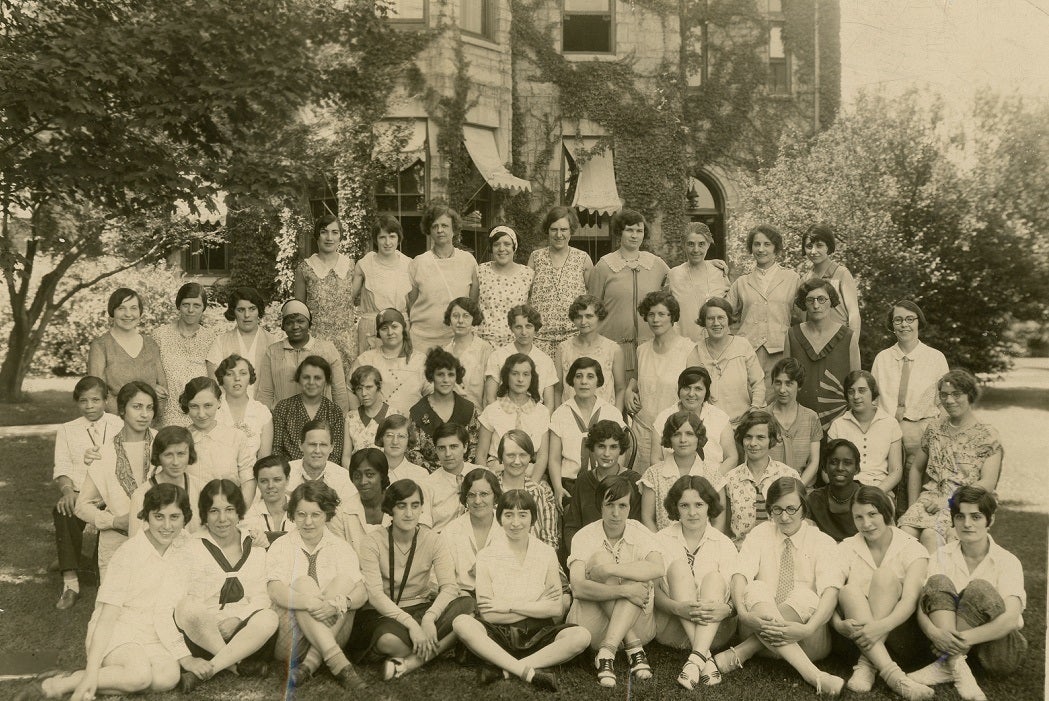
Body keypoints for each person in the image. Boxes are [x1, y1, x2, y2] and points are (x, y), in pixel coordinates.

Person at [16, 484, 200, 701]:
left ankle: (91, 680)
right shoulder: (129, 554)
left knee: (167, 677)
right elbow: (107, 617)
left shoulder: (186, 547)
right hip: (119, 628)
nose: (167, 525)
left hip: (156, 632)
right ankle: (62, 683)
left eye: (175, 517)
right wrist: (92, 669)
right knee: (139, 676)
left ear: (185, 518)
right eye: (159, 516)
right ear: (146, 517)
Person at [718, 477, 845, 697]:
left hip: (806, 639)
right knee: (756, 587)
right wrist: (743, 613)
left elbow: (831, 593)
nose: (784, 517)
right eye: (777, 510)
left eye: (791, 509)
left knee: (806, 595)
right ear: (769, 510)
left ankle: (743, 651)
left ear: (804, 508)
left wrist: (808, 628)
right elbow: (739, 575)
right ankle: (814, 676)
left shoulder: (822, 541)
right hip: (758, 625)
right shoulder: (760, 533)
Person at [453, 489, 591, 691]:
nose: (515, 523)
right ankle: (527, 671)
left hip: (538, 631)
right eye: (508, 515)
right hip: (499, 634)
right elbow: (489, 614)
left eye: (522, 515)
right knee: (462, 622)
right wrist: (537, 604)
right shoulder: (486, 556)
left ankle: (506, 669)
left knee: (581, 636)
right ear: (499, 518)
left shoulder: (546, 553)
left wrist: (507, 606)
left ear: (533, 518)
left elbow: (555, 610)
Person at [909, 487, 1027, 700]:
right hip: (946, 641)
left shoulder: (1007, 561)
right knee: (938, 581)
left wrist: (955, 642)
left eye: (976, 517)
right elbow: (922, 607)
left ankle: (947, 662)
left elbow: (1010, 619)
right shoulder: (941, 555)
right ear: (953, 520)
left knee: (979, 588)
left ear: (990, 521)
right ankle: (956, 665)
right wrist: (935, 634)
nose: (967, 524)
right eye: (960, 516)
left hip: (996, 648)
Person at [351, 479, 476, 680]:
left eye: (415, 505)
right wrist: (411, 625)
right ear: (390, 509)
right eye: (402, 506)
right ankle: (440, 648)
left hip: (421, 608)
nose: (409, 513)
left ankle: (410, 663)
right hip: (385, 615)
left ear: (421, 509)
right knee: (387, 640)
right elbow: (374, 595)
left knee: (468, 606)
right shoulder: (372, 541)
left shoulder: (433, 539)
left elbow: (449, 587)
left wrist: (429, 618)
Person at [174, 480, 279, 692]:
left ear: (239, 510)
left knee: (269, 617)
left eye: (229, 510)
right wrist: (212, 623)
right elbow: (186, 600)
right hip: (203, 635)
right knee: (187, 607)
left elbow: (261, 596)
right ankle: (236, 666)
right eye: (214, 511)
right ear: (204, 513)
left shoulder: (253, 543)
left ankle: (210, 669)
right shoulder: (192, 547)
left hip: (245, 635)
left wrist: (239, 618)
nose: (222, 519)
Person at [266, 481, 369, 691]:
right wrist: (310, 602)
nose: (308, 522)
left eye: (316, 514)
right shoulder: (281, 546)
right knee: (303, 583)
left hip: (333, 627)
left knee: (345, 584)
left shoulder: (341, 547)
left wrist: (339, 604)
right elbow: (276, 592)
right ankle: (339, 664)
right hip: (290, 638)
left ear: (327, 515)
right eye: (301, 514)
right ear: (293, 515)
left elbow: (362, 593)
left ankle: (309, 664)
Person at [833, 486, 934, 700]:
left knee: (884, 576)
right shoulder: (846, 547)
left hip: (899, 635)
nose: (866, 524)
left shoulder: (912, 548)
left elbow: (909, 601)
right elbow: (830, 594)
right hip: (855, 635)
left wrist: (879, 627)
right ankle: (895, 677)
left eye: (872, 514)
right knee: (849, 590)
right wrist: (837, 624)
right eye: (858, 517)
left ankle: (867, 664)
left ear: (886, 512)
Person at [566, 475, 665, 689]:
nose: (616, 513)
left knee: (631, 572)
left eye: (622, 505)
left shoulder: (639, 531)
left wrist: (609, 570)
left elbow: (657, 568)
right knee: (604, 560)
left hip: (639, 625)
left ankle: (607, 652)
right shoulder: (584, 536)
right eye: (609, 504)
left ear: (630, 507)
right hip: (592, 626)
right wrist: (625, 591)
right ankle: (631, 646)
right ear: (599, 505)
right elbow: (578, 587)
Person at [898, 370, 1003, 552]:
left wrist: (949, 500)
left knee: (931, 535)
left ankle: (938, 580)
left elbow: (988, 483)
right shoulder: (934, 428)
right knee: (904, 535)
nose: (949, 400)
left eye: (956, 394)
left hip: (966, 503)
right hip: (928, 499)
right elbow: (916, 468)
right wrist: (913, 505)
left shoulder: (987, 435)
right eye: (944, 395)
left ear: (970, 395)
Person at [653, 475, 738, 690]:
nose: (692, 513)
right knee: (678, 567)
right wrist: (676, 607)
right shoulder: (660, 540)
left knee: (715, 578)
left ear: (709, 505)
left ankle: (696, 657)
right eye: (684, 505)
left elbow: (736, 596)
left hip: (714, 631)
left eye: (699, 504)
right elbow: (653, 592)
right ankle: (703, 658)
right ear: (675, 507)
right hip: (672, 627)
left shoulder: (723, 543)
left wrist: (727, 610)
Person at [52, 376, 124, 610]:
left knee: (99, 572)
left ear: (106, 400)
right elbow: (61, 466)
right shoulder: (67, 430)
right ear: (77, 403)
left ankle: (86, 563)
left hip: (111, 492)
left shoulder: (119, 425)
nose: (90, 406)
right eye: (83, 401)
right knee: (63, 510)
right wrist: (67, 490)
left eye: (95, 400)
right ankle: (70, 582)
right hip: (81, 490)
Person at [870, 300, 950, 510]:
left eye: (909, 319)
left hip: (921, 432)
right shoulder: (883, 358)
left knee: (919, 487)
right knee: (888, 486)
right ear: (892, 325)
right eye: (898, 320)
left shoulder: (935, 358)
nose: (904, 325)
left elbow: (943, 403)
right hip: (887, 432)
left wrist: (935, 434)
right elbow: (874, 399)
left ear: (918, 322)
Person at [74, 381, 158, 579]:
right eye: (137, 407)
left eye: (149, 407)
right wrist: (113, 521)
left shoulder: (164, 444)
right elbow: (81, 506)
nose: (144, 414)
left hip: (159, 540)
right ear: (122, 410)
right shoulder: (104, 452)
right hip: (117, 543)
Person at [587, 209, 671, 377]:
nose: (634, 235)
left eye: (639, 231)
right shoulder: (605, 265)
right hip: (613, 347)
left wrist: (710, 264)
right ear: (620, 232)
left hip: (651, 348)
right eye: (629, 230)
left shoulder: (655, 264)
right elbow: (592, 308)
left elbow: (681, 279)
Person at [625, 290, 702, 471]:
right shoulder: (642, 349)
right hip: (642, 431)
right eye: (651, 314)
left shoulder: (688, 349)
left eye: (661, 314)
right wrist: (629, 391)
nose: (655, 319)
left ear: (672, 316)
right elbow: (636, 379)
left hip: (674, 434)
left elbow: (697, 393)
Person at [727, 224, 801, 393]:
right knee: (749, 398)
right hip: (747, 352)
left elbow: (805, 318)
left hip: (781, 351)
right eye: (756, 244)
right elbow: (723, 314)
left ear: (776, 248)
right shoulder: (741, 282)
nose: (761, 249)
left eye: (767, 244)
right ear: (751, 248)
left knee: (777, 399)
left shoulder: (792, 279)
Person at [783, 278, 861, 431]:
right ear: (804, 304)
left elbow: (856, 382)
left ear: (831, 301)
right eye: (810, 300)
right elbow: (786, 380)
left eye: (822, 299)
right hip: (799, 418)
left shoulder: (847, 336)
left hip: (839, 419)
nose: (816, 305)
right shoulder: (792, 335)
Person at [549, 356, 625, 510]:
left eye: (590, 376)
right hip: (570, 484)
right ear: (572, 380)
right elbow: (554, 458)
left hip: (604, 480)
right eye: (579, 376)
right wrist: (558, 488)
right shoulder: (560, 413)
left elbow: (621, 452)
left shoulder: (611, 412)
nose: (584, 382)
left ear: (598, 381)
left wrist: (613, 480)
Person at [407, 203, 479, 350]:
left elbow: (473, 302)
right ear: (429, 230)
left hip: (456, 340)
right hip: (422, 341)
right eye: (435, 226)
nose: (440, 230)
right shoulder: (419, 262)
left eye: (445, 226)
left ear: (454, 229)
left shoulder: (468, 261)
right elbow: (411, 303)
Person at [87, 288, 167, 420]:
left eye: (133, 308)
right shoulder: (100, 346)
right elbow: (98, 393)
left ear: (140, 312)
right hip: (115, 424)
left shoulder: (151, 344)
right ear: (112, 311)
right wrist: (128, 420)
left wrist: (148, 417)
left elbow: (163, 390)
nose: (128, 314)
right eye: (121, 308)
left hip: (150, 423)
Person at [294, 214, 358, 377]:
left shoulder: (351, 266)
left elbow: (357, 300)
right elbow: (298, 311)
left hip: (346, 342)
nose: (329, 237)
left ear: (340, 236)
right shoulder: (305, 268)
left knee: (345, 393)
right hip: (316, 341)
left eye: (335, 232)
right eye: (324, 232)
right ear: (317, 235)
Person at [256, 299, 349, 412]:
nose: (295, 326)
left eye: (301, 321)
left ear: (309, 323)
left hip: (320, 422)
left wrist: (340, 421)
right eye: (289, 322)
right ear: (283, 326)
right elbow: (266, 392)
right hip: (283, 422)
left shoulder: (327, 349)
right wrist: (263, 422)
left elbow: (338, 391)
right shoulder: (273, 352)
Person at [563, 421, 642, 553]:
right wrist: (580, 556)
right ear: (592, 448)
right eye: (601, 446)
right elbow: (572, 526)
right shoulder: (583, 480)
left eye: (613, 447)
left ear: (621, 449)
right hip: (587, 552)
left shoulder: (633, 481)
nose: (606, 453)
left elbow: (637, 528)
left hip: (624, 555)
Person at [723, 410, 801, 544]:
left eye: (760, 437)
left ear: (771, 439)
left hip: (778, 550)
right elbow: (725, 527)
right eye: (748, 437)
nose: (753, 443)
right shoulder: (730, 479)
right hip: (741, 553)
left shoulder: (788, 475)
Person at [640, 411, 725, 533]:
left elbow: (718, 521)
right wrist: (660, 547)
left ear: (698, 437)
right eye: (676, 434)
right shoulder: (653, 474)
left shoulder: (713, 474)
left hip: (704, 547)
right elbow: (647, 518)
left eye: (689, 434)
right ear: (669, 437)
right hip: (664, 546)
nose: (683, 440)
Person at [527, 205, 593, 356]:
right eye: (554, 229)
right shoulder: (535, 258)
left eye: (563, 229)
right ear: (547, 230)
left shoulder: (583, 259)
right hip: (540, 340)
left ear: (571, 230)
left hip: (574, 339)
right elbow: (525, 296)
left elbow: (593, 300)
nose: (558, 234)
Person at [179, 377, 256, 505]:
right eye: (194, 406)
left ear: (219, 402)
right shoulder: (179, 440)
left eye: (208, 405)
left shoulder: (236, 437)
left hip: (228, 515)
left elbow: (247, 480)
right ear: (187, 405)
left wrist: (238, 514)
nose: (201, 414)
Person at [152, 282, 217, 427]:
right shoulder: (160, 335)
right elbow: (148, 370)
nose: (190, 310)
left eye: (196, 305)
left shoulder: (210, 338)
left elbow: (214, 381)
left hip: (199, 416)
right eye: (186, 304)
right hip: (166, 414)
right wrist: (152, 385)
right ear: (178, 306)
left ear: (203, 308)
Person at [476, 354, 550, 481]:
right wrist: (489, 484)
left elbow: (542, 456)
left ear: (532, 378)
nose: (520, 379)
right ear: (506, 376)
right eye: (515, 374)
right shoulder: (492, 410)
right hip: (496, 474)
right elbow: (481, 455)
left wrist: (533, 485)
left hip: (531, 475)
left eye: (526, 374)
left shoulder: (541, 411)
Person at [650, 366, 738, 473]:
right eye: (686, 387)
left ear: (706, 392)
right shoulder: (663, 418)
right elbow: (656, 459)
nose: (691, 394)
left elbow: (731, 457)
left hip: (712, 482)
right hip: (672, 482)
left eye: (698, 389)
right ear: (679, 390)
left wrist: (713, 481)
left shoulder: (719, 418)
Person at [693, 296, 765, 425]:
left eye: (721, 318)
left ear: (729, 319)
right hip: (710, 426)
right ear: (704, 322)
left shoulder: (743, 346)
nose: (716, 323)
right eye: (710, 318)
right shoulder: (697, 351)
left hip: (743, 424)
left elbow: (758, 384)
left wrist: (754, 411)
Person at [829, 371, 904, 493]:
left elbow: (895, 472)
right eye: (851, 391)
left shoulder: (890, 424)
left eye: (862, 390)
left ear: (873, 393)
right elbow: (827, 472)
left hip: (880, 490)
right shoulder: (838, 425)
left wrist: (876, 493)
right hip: (844, 490)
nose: (856, 396)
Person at [270, 356, 348, 467]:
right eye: (306, 377)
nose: (311, 382)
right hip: (290, 473)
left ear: (326, 380)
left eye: (317, 378)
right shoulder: (283, 408)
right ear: (299, 379)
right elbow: (276, 449)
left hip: (325, 475)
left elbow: (335, 453)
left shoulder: (334, 411)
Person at [410, 348, 479, 473]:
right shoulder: (418, 410)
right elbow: (413, 451)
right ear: (431, 376)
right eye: (440, 374)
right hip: (429, 477)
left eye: (451, 374)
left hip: (464, 474)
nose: (446, 380)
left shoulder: (468, 408)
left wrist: (462, 470)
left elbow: (474, 446)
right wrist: (436, 474)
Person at [351, 215, 413, 353]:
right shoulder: (365, 264)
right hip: (371, 328)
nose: (387, 242)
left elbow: (413, 305)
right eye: (382, 237)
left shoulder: (409, 264)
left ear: (399, 238)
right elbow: (348, 297)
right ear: (376, 240)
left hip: (399, 327)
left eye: (392, 236)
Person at [128, 426, 203, 539]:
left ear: (190, 454)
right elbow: (135, 543)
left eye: (181, 454)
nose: (176, 462)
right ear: (158, 456)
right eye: (168, 455)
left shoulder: (201, 488)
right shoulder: (140, 495)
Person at [353, 308, 429, 417]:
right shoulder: (366, 359)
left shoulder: (420, 360)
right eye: (384, 328)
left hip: (412, 426)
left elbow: (432, 395)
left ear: (403, 328)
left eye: (394, 327)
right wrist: (362, 419)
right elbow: (350, 390)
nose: (390, 332)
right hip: (375, 430)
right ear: (378, 333)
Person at [205, 286, 278, 397]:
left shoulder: (274, 342)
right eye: (241, 310)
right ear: (233, 312)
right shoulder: (220, 342)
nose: (247, 315)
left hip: (265, 410)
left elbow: (279, 382)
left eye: (252, 309)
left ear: (259, 311)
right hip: (228, 409)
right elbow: (214, 384)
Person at [556, 294, 625, 411]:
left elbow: (620, 389)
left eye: (589, 316)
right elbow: (557, 390)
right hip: (571, 416)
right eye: (578, 316)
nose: (583, 321)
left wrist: (616, 418)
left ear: (599, 317)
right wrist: (558, 416)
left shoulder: (613, 349)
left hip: (604, 417)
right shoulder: (563, 348)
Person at [665, 222, 730, 342]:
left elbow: (730, 310)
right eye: (690, 244)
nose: (696, 250)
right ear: (683, 245)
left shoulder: (720, 273)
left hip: (717, 346)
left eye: (701, 244)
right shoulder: (674, 275)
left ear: (708, 245)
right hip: (685, 347)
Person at [483, 304, 558, 409]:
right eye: (518, 327)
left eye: (528, 326)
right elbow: (490, 398)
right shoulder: (497, 356)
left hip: (535, 419)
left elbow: (549, 404)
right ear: (511, 328)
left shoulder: (545, 360)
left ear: (535, 328)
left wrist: (541, 423)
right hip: (503, 416)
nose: (523, 332)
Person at [496, 431, 559, 553]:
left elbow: (550, 541)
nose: (517, 461)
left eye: (523, 455)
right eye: (510, 455)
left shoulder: (541, 493)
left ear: (530, 457)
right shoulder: (490, 491)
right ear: (501, 457)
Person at [442, 468, 504, 595]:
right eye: (471, 495)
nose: (477, 501)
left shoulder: (508, 528)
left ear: (495, 496)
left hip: (502, 598)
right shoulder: (450, 531)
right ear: (465, 498)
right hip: (461, 599)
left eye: (484, 494)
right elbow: (440, 579)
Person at [476, 224, 535, 348]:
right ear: (491, 248)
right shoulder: (480, 271)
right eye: (496, 244)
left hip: (516, 344)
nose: (501, 248)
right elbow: (472, 306)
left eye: (507, 244)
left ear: (514, 247)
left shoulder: (528, 274)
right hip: (485, 342)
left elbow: (532, 308)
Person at [765, 357, 822, 484]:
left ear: (799, 385)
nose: (782, 389)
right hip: (767, 491)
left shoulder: (811, 418)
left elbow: (814, 462)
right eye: (778, 382)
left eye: (789, 383)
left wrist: (798, 489)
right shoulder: (762, 417)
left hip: (802, 489)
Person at [285, 419, 359, 514]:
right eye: (312, 444)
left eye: (323, 445)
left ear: (331, 447)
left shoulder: (344, 478)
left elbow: (348, 518)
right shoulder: (284, 473)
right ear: (300, 445)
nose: (317, 450)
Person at [799, 223, 861, 334]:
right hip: (813, 341)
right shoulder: (805, 279)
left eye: (819, 245)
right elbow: (804, 318)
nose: (813, 251)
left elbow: (854, 314)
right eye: (809, 246)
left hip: (839, 339)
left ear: (828, 247)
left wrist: (852, 346)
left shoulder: (842, 273)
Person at [423, 422, 483, 532]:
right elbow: (424, 530)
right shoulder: (427, 485)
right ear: (436, 450)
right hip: (441, 543)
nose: (448, 454)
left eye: (453, 446)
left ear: (465, 447)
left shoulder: (482, 475)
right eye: (441, 448)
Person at [214, 354, 272, 459]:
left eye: (243, 373)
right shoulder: (212, 409)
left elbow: (264, 459)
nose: (237, 378)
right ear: (221, 379)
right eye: (229, 374)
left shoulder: (262, 412)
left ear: (250, 378)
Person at [443, 296, 493, 409]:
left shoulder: (485, 349)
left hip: (477, 416)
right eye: (455, 316)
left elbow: (489, 396)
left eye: (466, 316)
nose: (460, 321)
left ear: (473, 319)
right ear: (449, 319)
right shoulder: (445, 352)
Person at [807, 439, 862, 542]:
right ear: (824, 467)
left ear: (857, 468)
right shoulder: (814, 500)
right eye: (833, 462)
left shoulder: (869, 497)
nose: (840, 468)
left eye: (847, 463)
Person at [240, 456, 294, 548]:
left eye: (277, 480)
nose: (270, 486)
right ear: (257, 482)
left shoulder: (302, 510)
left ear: (287, 480)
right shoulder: (248, 515)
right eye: (264, 481)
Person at [345, 448, 392, 536]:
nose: (363, 481)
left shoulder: (401, 506)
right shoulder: (342, 511)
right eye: (357, 476)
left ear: (382, 475)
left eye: (370, 475)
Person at [345, 364, 387, 455]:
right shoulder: (351, 417)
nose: (364, 393)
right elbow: (346, 457)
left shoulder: (393, 415)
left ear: (378, 387)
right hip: (355, 469)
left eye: (368, 387)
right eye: (359, 388)